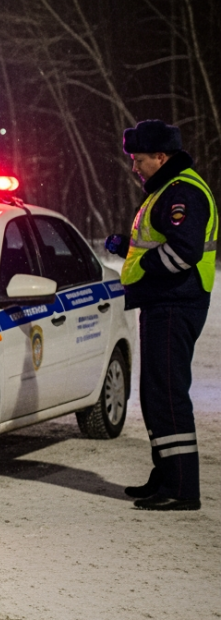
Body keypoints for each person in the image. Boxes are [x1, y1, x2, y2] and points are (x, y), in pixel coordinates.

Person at [105, 119, 215, 511]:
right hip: (164, 303)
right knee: (155, 395)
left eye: (139, 160)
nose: (134, 167)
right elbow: (157, 242)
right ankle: (166, 473)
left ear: (160, 156)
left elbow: (182, 252)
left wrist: (146, 268)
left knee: (166, 395)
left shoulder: (182, 192)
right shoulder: (167, 190)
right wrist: (125, 247)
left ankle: (182, 488)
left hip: (175, 304)